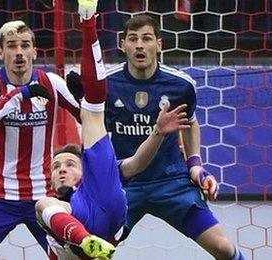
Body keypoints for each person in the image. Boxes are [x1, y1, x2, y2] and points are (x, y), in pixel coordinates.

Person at [66, 14, 245, 260]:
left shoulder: (181, 85)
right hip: (123, 184)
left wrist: (195, 166)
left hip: (170, 182)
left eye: (147, 38)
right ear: (123, 45)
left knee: (224, 248)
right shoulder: (106, 83)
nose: (140, 45)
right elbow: (91, 126)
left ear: (159, 44)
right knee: (88, 252)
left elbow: (190, 123)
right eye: (133, 39)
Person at [34, 1, 190, 259]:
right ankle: (89, 244)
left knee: (93, 113)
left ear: (83, 168)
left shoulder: (99, 174)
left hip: (100, 199)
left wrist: (158, 133)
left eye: (71, 164)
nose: (62, 169)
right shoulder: (61, 210)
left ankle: (88, 22)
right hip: (87, 225)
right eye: (56, 166)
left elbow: (137, 163)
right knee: (47, 206)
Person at [0, 20, 81, 260]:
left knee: (73, 258)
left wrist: (87, 98)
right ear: (2, 52)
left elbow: (87, 118)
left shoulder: (51, 82)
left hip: (44, 196)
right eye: (12, 46)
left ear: (34, 51)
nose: (19, 52)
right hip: (0, 196)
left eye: (25, 45)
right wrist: (19, 94)